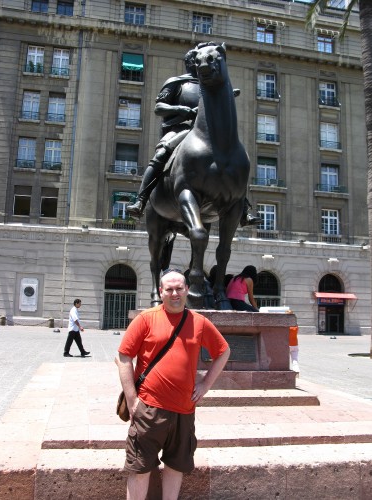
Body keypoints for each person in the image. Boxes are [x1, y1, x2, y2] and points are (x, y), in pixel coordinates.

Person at [115, 269, 230, 500]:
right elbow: (123, 357)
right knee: (139, 468)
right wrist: (132, 400)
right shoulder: (146, 319)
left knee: (176, 466)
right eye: (169, 289)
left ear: (187, 290)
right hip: (149, 408)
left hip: (184, 410)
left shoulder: (199, 322)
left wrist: (205, 384)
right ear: (161, 292)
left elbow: (223, 351)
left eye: (179, 288)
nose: (175, 293)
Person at [127, 44, 260, 226]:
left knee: (234, 160)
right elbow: (159, 107)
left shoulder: (212, 86)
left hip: (209, 132)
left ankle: (242, 207)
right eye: (196, 61)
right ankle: (140, 200)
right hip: (181, 129)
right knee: (161, 154)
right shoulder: (177, 82)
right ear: (191, 63)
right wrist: (182, 110)